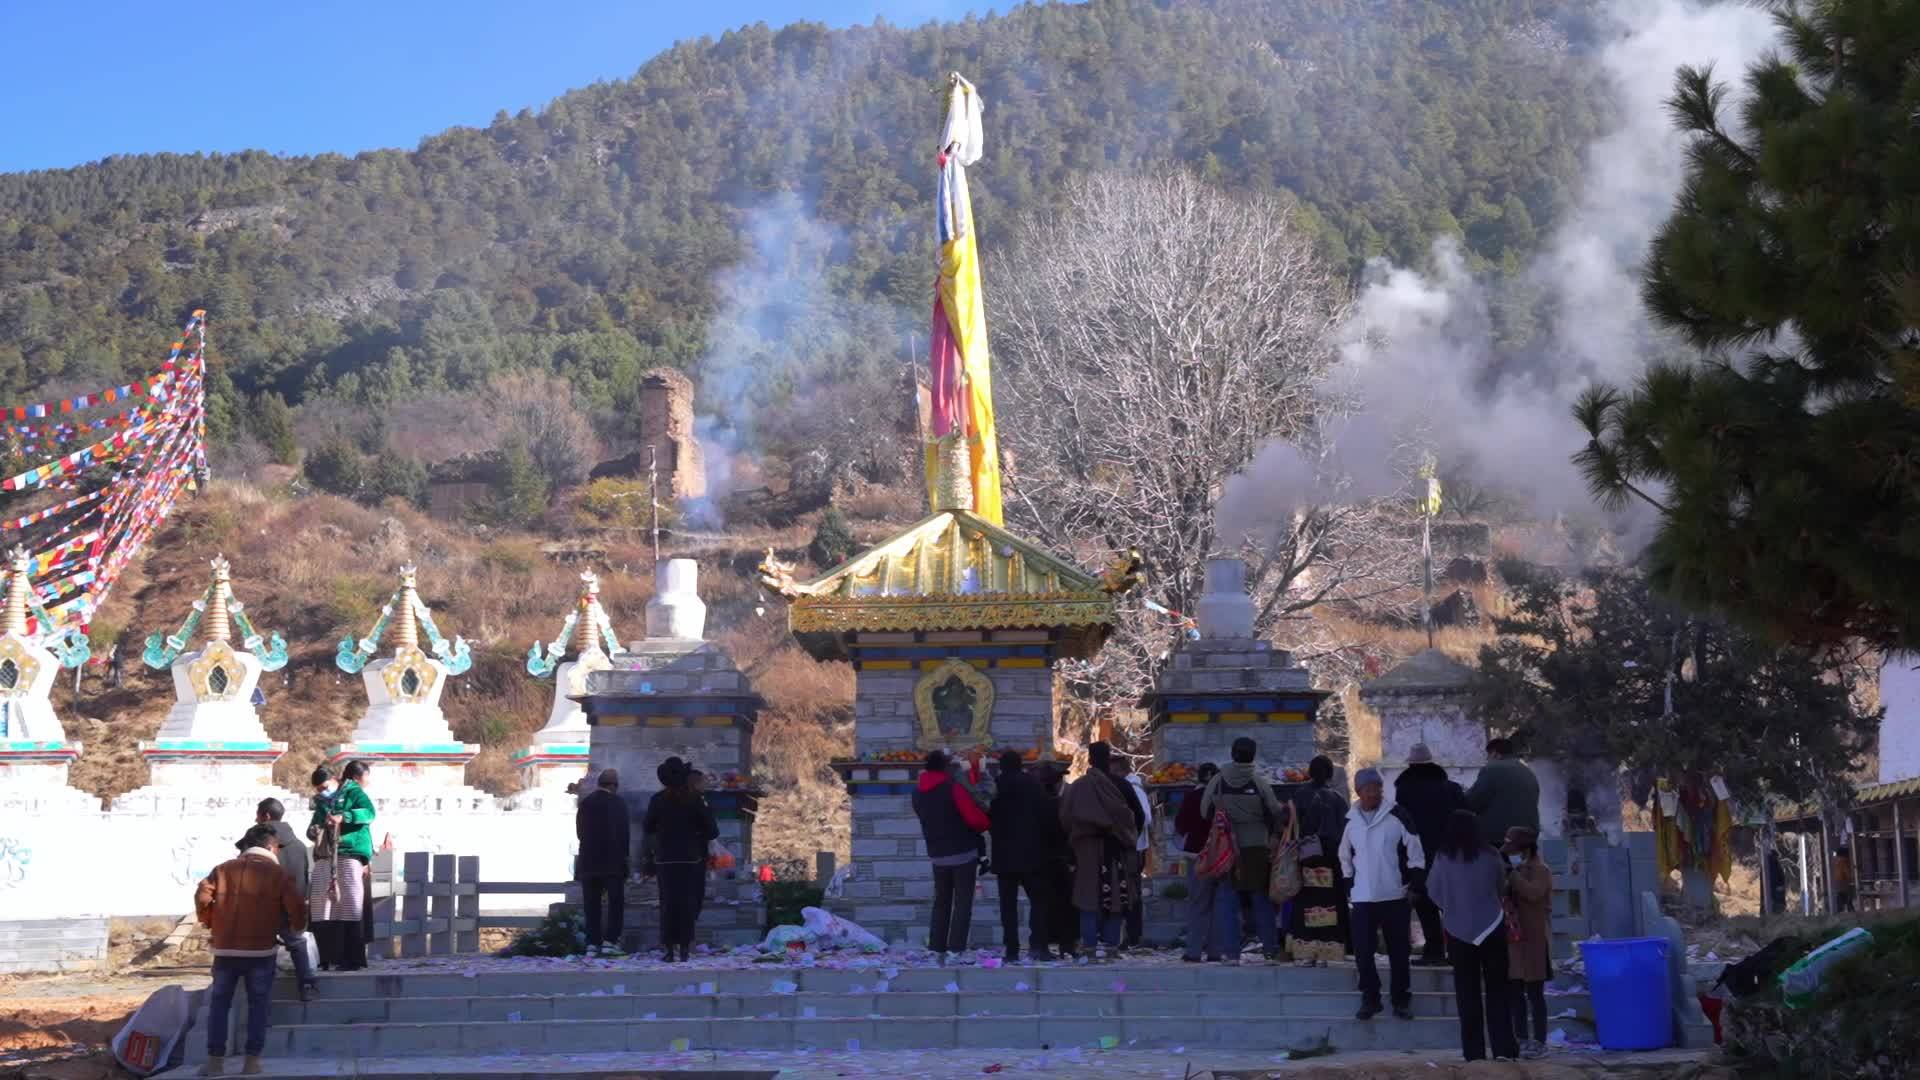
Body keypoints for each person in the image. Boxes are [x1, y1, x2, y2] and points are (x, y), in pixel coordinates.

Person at [195, 823, 307, 1077]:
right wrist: (297, 928)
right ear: (270, 847)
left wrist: (211, 920)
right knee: (258, 1005)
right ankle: (252, 1061)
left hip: (225, 951)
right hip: (260, 952)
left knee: (220, 1005)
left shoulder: (222, 870)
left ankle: (214, 1062)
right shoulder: (279, 875)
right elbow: (296, 907)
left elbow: (202, 896)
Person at [1425, 809, 1520, 1062]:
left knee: (1467, 995)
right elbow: (1502, 887)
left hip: (1458, 932)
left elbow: (1432, 891)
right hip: (1492, 927)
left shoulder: (1443, 857)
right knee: (1498, 991)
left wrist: (1453, 907)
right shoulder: (1490, 855)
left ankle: (1474, 1054)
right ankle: (1504, 1049)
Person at [1339, 766, 1425, 1020]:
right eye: (1368, 789)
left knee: (1399, 952)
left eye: (1377, 788)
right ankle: (1370, 998)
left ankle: (1401, 1000)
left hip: (1395, 896)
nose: (1373, 794)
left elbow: (1415, 851)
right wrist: (1349, 885)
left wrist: (1415, 884)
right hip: (1363, 897)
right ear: (1359, 792)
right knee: (1363, 953)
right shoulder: (1350, 820)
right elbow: (1344, 855)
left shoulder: (1397, 815)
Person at [1198, 737, 1290, 964]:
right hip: (1256, 847)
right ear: (1253, 755)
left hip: (1226, 848)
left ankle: (1231, 953)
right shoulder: (1258, 782)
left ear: (1232, 753)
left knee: (1228, 900)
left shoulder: (1218, 781)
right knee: (1260, 899)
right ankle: (1270, 950)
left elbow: (1204, 811)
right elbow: (1276, 812)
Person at [1059, 741, 1139, 962]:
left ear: (1090, 760)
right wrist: (1126, 838)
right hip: (1116, 849)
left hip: (1086, 849)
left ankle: (1089, 950)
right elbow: (1137, 817)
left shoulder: (1078, 786)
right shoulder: (1122, 786)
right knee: (1115, 897)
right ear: (1108, 758)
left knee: (1088, 898)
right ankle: (1112, 949)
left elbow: (1065, 819)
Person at [912, 750, 992, 963]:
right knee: (963, 902)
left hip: (937, 854)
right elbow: (976, 820)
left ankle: (936, 947)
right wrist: (986, 823)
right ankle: (955, 949)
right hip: (963, 853)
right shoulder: (953, 788)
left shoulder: (917, 792)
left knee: (941, 901)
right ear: (945, 767)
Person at [1395, 743, 1466, 966]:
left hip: (1418, 856)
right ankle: (1458, 951)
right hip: (1450, 854)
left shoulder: (1404, 789)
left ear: (1411, 764)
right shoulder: (1451, 788)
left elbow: (1402, 825)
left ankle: (1433, 950)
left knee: (1425, 904)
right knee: (1451, 903)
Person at [644, 758, 719, 961]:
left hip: (665, 858)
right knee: (686, 903)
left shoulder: (657, 800)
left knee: (667, 902)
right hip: (690, 858)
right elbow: (712, 830)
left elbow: (648, 827)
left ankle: (669, 949)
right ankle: (685, 947)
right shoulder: (695, 799)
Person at [988, 749, 1056, 962]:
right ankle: (1039, 946)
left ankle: (1011, 950)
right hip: (1033, 853)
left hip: (1004, 855)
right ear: (1020, 765)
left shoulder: (995, 786)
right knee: (1038, 901)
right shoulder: (1033, 785)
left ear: (1002, 766)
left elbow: (987, 815)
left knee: (1007, 906)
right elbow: (1048, 816)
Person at [1289, 755, 1350, 966]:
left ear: (1310, 772)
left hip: (1306, 859)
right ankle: (1329, 949)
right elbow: (1345, 832)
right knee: (1330, 903)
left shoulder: (1299, 796)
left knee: (1307, 903)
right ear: (1330, 774)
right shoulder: (1338, 799)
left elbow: (1290, 826)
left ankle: (1306, 949)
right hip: (1331, 861)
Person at [255, 798, 318, 1001]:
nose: (255, 819)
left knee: (263, 946)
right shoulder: (299, 845)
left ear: (265, 816)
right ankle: (307, 984)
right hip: (291, 905)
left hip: (263, 905)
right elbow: (304, 878)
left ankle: (263, 989)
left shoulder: (256, 840)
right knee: (296, 943)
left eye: (257, 814)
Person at [1503, 826, 1552, 1059]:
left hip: (1534, 941)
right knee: (1515, 993)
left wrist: (1513, 876)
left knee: (1535, 994)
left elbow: (1534, 893)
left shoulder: (1540, 870)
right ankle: (1520, 1037)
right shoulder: (1515, 870)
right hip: (1514, 939)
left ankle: (1540, 1041)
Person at [575, 767, 631, 956]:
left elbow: (579, 833)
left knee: (592, 905)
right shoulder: (618, 803)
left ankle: (592, 943)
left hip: (589, 863)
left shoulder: (586, 803)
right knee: (615, 903)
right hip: (612, 864)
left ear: (599, 784)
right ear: (615, 786)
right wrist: (625, 859)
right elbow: (624, 835)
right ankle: (610, 941)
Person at [1173, 762, 1222, 962]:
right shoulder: (1221, 798)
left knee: (1198, 903)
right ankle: (1215, 951)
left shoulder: (1191, 797)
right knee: (1218, 904)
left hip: (1197, 855)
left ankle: (1193, 951)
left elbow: (1181, 825)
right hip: (1221, 856)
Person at [304, 767, 351, 971]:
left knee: (343, 909)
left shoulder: (350, 797)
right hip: (324, 859)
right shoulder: (322, 804)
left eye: (324, 787)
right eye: (319, 790)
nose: (323, 792)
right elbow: (311, 829)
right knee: (321, 909)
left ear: (333, 780)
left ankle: (341, 956)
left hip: (344, 856)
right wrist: (315, 830)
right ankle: (323, 957)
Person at [1037, 763, 1079, 958]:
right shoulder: (1058, 805)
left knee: (1043, 905)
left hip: (1039, 861)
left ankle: (1043, 944)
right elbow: (1068, 832)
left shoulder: (1034, 806)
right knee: (1065, 905)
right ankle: (1066, 945)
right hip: (1060, 859)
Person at [1465, 738, 1540, 847]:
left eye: (1488, 756)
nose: (1487, 759)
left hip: (1500, 836)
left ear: (1495, 754)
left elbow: (1473, 802)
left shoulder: (1492, 769)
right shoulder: (1527, 770)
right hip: (1528, 835)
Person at [1120, 763, 1154, 949]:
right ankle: (1128, 935)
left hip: (1134, 847)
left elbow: (1146, 818)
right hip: (1130, 847)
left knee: (1132, 891)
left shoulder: (1134, 789)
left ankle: (1134, 935)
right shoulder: (1126, 788)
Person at [1832, 845, 1856, 912]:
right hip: (1845, 884)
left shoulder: (1838, 862)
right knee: (1847, 900)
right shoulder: (1843, 862)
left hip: (1840, 885)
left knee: (1842, 900)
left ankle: (1842, 911)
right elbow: (1848, 874)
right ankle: (1849, 910)